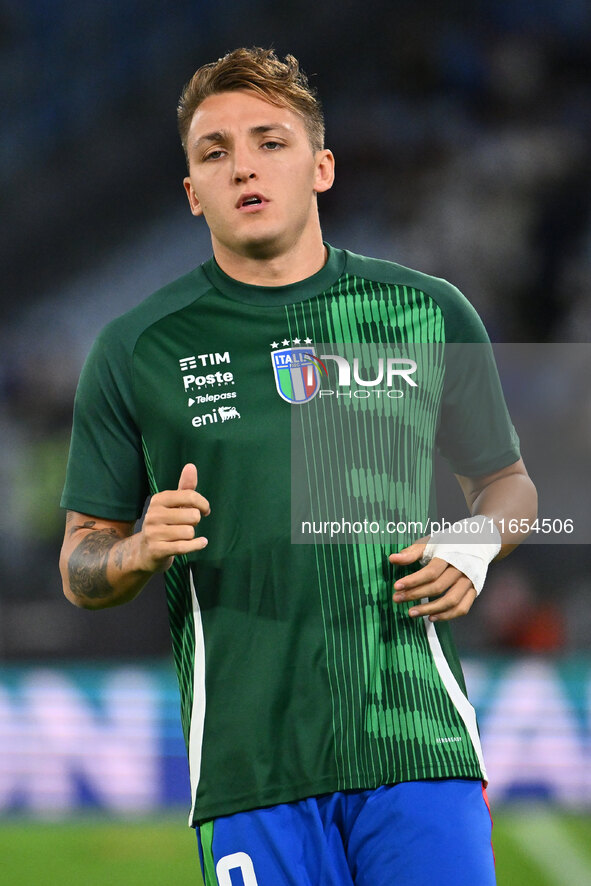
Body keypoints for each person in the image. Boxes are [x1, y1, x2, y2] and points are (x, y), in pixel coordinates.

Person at [59, 48, 537, 886]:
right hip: (251, 770)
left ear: (320, 167)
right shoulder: (136, 348)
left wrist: (471, 544)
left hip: (416, 745)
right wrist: (134, 549)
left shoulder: (422, 311)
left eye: (268, 141)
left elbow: (509, 486)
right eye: (214, 152)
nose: (242, 164)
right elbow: (79, 561)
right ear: (191, 193)